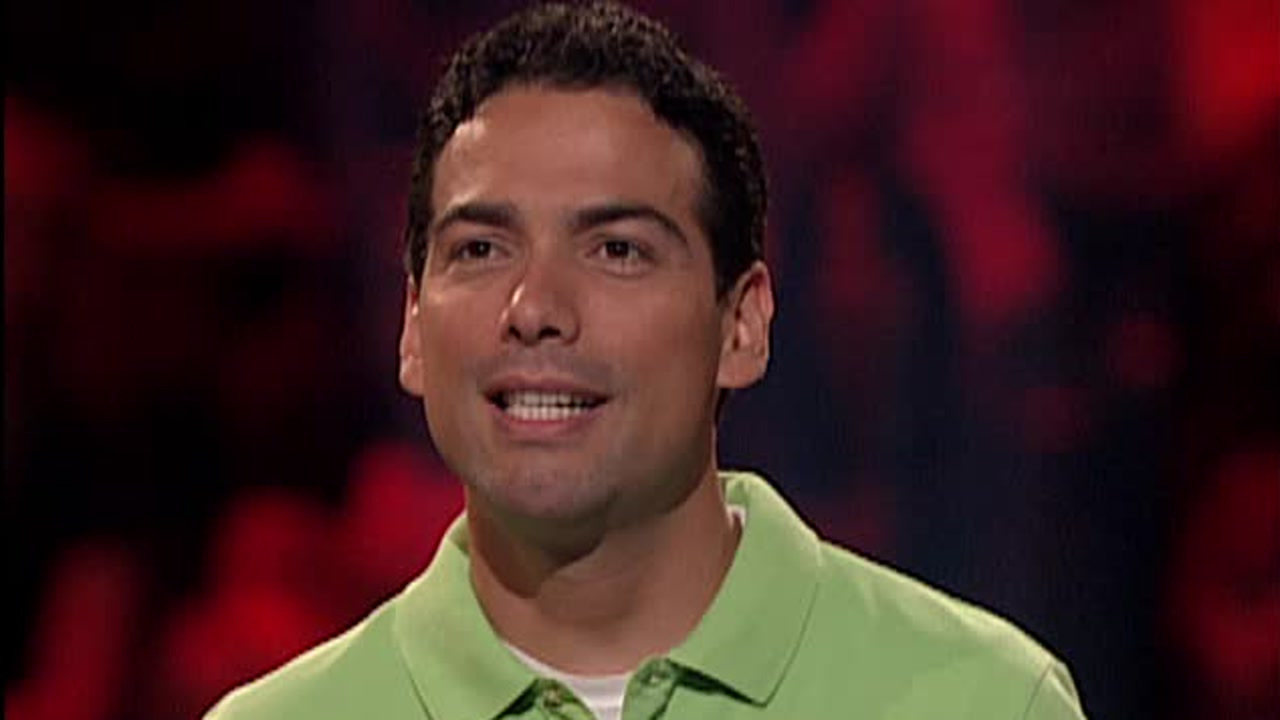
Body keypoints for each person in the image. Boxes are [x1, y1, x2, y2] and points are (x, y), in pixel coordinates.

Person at [205, 2, 1087, 718]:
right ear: (411, 326)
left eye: (616, 250)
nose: (534, 309)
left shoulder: (987, 701)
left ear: (742, 325)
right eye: (480, 250)